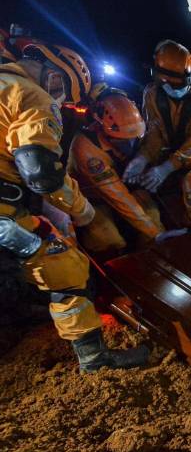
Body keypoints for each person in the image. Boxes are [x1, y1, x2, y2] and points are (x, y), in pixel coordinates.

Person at [0, 42, 148, 372]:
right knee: (65, 265)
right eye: (62, 95)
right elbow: (42, 172)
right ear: (54, 79)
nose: (60, 103)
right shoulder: (31, 96)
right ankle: (94, 358)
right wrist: (83, 212)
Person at [68, 92, 165, 257]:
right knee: (107, 240)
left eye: (135, 138)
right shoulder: (87, 149)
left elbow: (154, 140)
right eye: (122, 140)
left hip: (125, 187)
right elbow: (117, 196)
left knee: (153, 216)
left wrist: (144, 157)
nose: (130, 144)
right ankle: (110, 269)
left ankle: (152, 259)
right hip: (90, 198)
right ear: (102, 129)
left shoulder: (132, 127)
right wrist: (155, 233)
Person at [123, 40, 191, 197]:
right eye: (166, 83)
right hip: (166, 157)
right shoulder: (152, 94)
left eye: (177, 84)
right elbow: (154, 133)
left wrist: (167, 168)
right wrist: (143, 157)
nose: (172, 88)